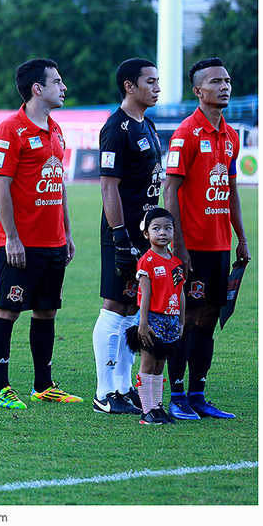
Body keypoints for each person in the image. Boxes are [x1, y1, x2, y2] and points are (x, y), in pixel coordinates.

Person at [0, 58, 81, 409]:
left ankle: (43, 385)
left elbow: (58, 184)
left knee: (46, 311)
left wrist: (67, 232)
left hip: (54, 241)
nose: (64, 87)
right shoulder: (10, 129)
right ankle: (0, 389)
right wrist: (11, 237)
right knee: (7, 310)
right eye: (57, 82)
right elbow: (0, 185)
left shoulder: (55, 129)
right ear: (37, 89)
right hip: (23, 243)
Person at [163, 57, 251, 419]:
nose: (224, 87)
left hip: (219, 245)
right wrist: (178, 244)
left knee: (210, 316)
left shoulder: (230, 136)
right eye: (215, 82)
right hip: (192, 246)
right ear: (198, 91)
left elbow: (231, 190)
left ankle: (198, 394)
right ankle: (176, 396)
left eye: (227, 81)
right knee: (187, 317)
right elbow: (169, 190)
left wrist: (241, 238)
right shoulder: (185, 133)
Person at [91, 58, 161, 415]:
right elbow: (108, 187)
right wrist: (120, 236)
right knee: (116, 306)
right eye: (150, 81)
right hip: (123, 233)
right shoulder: (115, 127)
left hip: (146, 234)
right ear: (129, 86)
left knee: (134, 307)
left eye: (158, 81)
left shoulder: (148, 125)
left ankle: (122, 386)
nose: (157, 88)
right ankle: (104, 393)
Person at [125, 208, 185, 425]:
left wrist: (181, 321)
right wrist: (142, 323)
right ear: (146, 234)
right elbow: (145, 295)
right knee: (148, 364)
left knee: (160, 366)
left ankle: (157, 408)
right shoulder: (147, 261)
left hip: (171, 320)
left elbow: (180, 293)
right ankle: (147, 411)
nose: (162, 233)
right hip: (151, 320)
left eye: (168, 228)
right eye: (156, 228)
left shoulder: (176, 263)